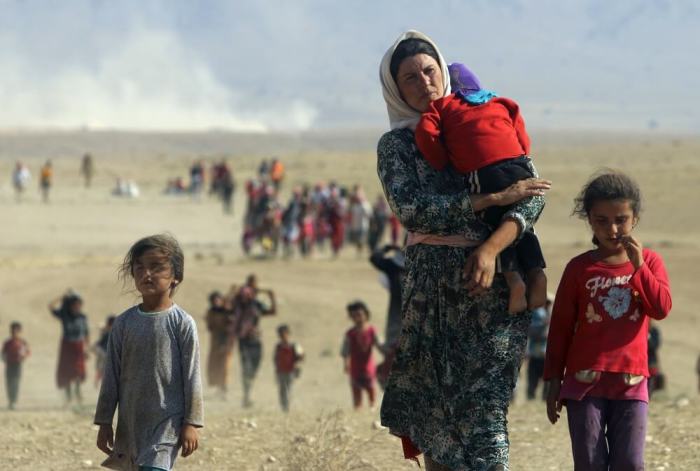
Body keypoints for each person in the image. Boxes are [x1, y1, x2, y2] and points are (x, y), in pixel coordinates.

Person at [377, 30, 550, 471]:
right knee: (436, 413)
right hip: (430, 294)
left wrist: (492, 248)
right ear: (395, 88)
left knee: (486, 409)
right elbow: (413, 211)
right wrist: (488, 200)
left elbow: (532, 194)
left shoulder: (478, 117)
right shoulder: (396, 146)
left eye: (429, 71)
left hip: (492, 290)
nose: (424, 83)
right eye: (410, 78)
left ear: (443, 71)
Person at [544, 172, 672, 471]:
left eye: (621, 219)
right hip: (584, 383)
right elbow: (560, 328)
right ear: (589, 219)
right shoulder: (579, 268)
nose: (612, 229)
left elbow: (661, 308)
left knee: (630, 462)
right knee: (589, 463)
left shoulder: (650, 263)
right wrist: (553, 382)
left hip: (632, 381)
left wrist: (639, 266)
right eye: (601, 220)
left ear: (634, 219)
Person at [415, 63, 546, 314]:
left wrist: (442, 159)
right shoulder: (500, 101)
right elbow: (521, 131)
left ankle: (514, 280)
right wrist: (520, 156)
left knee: (492, 221)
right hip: (519, 164)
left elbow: (426, 133)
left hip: (484, 172)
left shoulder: (442, 106)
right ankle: (537, 273)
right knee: (521, 221)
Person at [94, 234, 203, 471]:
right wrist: (104, 421)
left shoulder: (182, 323)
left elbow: (192, 375)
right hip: (130, 423)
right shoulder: (124, 324)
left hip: (167, 423)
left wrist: (192, 423)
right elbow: (111, 375)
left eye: (156, 267)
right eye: (140, 268)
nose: (147, 274)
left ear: (176, 276)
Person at [231, 283, 276, 408]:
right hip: (244, 341)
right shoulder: (238, 306)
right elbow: (226, 306)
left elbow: (272, 311)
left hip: (256, 340)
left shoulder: (256, 305)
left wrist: (272, 297)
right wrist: (232, 291)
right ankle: (246, 396)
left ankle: (248, 393)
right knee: (246, 368)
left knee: (254, 368)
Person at [369, 245, 405, 389]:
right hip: (398, 316)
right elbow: (375, 258)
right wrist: (387, 247)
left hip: (412, 315)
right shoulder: (394, 267)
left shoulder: (394, 268)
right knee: (393, 352)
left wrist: (388, 248)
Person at [49, 290, 90, 406]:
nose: (77, 306)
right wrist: (61, 297)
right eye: (74, 304)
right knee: (67, 372)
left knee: (78, 371)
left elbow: (86, 333)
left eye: (79, 304)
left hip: (79, 346)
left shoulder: (83, 317)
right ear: (70, 305)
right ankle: (68, 397)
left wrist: (87, 348)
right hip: (67, 346)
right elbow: (51, 307)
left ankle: (78, 394)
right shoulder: (64, 315)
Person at [341, 301, 383, 410]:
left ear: (366, 314)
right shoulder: (350, 334)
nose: (357, 318)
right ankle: (357, 409)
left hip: (368, 368)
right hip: (355, 368)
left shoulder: (371, 331)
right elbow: (345, 351)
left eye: (359, 314)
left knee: (371, 390)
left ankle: (372, 408)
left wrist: (388, 354)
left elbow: (380, 345)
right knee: (356, 392)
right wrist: (345, 364)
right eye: (354, 316)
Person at [205, 290, 234, 398]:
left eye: (218, 300)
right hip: (215, 343)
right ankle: (219, 389)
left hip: (226, 343)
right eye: (214, 300)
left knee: (225, 367)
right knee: (215, 366)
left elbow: (231, 326)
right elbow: (210, 327)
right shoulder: (211, 312)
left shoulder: (228, 312)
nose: (216, 302)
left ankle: (224, 390)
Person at [273, 324, 304, 412]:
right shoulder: (278, 347)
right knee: (282, 390)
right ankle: (284, 407)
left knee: (289, 389)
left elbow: (301, 357)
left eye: (284, 334)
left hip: (290, 371)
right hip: (281, 372)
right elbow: (276, 359)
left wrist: (297, 365)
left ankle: (288, 407)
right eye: (281, 335)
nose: (283, 337)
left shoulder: (294, 346)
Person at [526, 297, 552, 400]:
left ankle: (544, 399)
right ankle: (530, 399)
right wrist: (544, 325)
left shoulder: (550, 314)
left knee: (547, 382)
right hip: (536, 354)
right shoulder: (537, 315)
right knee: (532, 381)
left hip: (547, 356)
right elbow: (532, 331)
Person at [2, 322, 30, 410]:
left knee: (16, 383)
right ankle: (10, 401)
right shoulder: (7, 343)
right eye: (12, 331)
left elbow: (27, 352)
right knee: (9, 383)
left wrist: (23, 357)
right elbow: (3, 353)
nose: (14, 333)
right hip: (9, 365)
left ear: (20, 331)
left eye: (16, 331)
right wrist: (4, 358)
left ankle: (14, 401)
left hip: (17, 365)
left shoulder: (22, 342)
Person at [92, 315, 116, 388]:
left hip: (109, 355)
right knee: (101, 370)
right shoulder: (107, 333)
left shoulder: (112, 333)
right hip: (104, 355)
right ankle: (97, 384)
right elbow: (99, 343)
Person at [647, 322, 665, 397]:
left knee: (649, 390)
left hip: (651, 365)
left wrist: (648, 338)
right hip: (637, 367)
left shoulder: (653, 331)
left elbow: (656, 345)